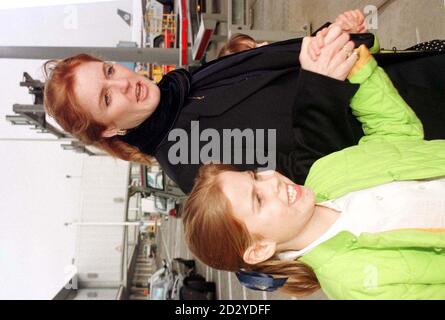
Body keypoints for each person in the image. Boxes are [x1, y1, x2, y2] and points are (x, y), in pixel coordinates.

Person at [43, 9, 445, 194]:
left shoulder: (184, 82)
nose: (126, 83)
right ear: (110, 129)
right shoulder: (189, 158)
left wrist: (332, 36)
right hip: (415, 132)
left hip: (405, 77)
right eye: (107, 97)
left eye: (110, 71)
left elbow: (287, 69)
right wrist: (322, 84)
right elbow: (306, 179)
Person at [182, 45, 445, 299]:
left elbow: (397, 135)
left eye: (255, 175)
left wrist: (357, 68)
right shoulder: (357, 284)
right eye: (258, 199)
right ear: (260, 248)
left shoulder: (325, 170)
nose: (271, 179)